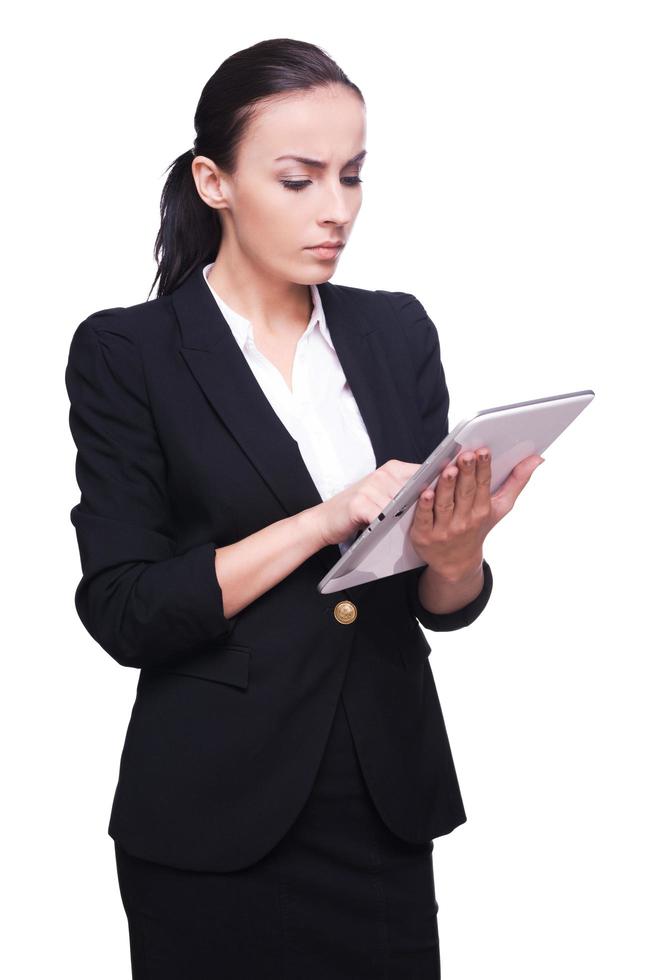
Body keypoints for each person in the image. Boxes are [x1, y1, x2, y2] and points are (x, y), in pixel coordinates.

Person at [65, 37, 544, 980]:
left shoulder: (395, 329)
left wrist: (457, 550)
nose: (337, 210)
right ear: (214, 181)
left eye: (352, 176)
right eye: (298, 179)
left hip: (381, 800)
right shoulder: (131, 352)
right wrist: (325, 520)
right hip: (210, 812)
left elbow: (437, 601)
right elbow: (125, 609)